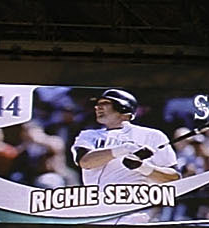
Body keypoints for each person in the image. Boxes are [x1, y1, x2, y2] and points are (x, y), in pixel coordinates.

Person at [70, 89, 185, 220]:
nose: (98, 107)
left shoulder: (152, 136)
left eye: (105, 103)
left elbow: (173, 177)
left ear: (123, 107)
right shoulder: (88, 135)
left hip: (134, 210)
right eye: (97, 104)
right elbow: (85, 162)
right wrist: (125, 149)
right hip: (96, 209)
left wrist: (142, 167)